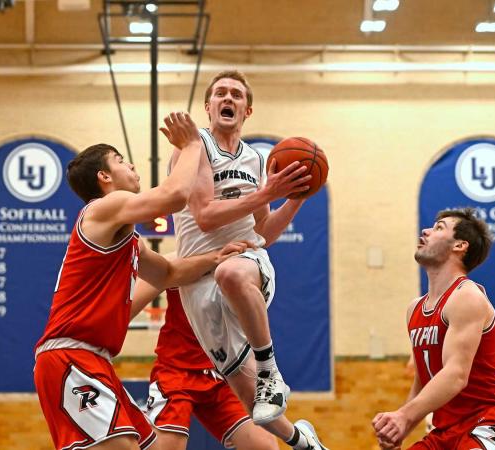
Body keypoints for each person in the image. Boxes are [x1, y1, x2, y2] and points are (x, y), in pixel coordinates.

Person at [33, 111, 251, 450]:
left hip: (95, 360)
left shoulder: (128, 240)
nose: (132, 166)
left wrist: (215, 256)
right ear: (104, 176)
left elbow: (167, 274)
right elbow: (175, 196)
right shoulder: (105, 206)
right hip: (70, 358)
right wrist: (193, 144)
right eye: (121, 161)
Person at [170, 70, 327, 450]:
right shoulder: (193, 147)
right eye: (220, 93)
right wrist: (269, 192)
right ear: (208, 106)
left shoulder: (257, 158)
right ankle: (303, 441)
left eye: (236, 95)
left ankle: (269, 370)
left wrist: (296, 197)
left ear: (247, 110)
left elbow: (264, 234)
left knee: (232, 272)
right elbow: (205, 215)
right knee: (255, 405)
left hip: (241, 263)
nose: (228, 98)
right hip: (197, 279)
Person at [372, 208, 495, 450]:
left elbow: (455, 375)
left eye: (439, 228)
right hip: (444, 432)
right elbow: (423, 379)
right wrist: (400, 428)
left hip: (487, 423)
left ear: (460, 245)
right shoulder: (414, 309)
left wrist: (405, 416)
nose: (425, 231)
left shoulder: (467, 296)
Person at [130, 275, 278, 450]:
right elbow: (125, 309)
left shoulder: (238, 266)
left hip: (219, 373)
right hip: (176, 372)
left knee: (265, 445)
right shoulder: (175, 262)